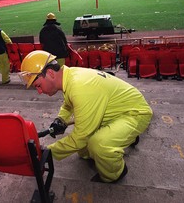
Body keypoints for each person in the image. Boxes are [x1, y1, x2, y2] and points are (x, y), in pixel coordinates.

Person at [19, 50, 153, 183]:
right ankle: (124, 136)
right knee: (84, 152)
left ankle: (115, 174)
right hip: (116, 109)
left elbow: (81, 137)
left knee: (98, 144)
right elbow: (68, 104)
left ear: (50, 73)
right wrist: (60, 119)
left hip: (135, 113)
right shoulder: (70, 76)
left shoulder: (80, 87)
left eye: (38, 86)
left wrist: (47, 152)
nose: (40, 91)